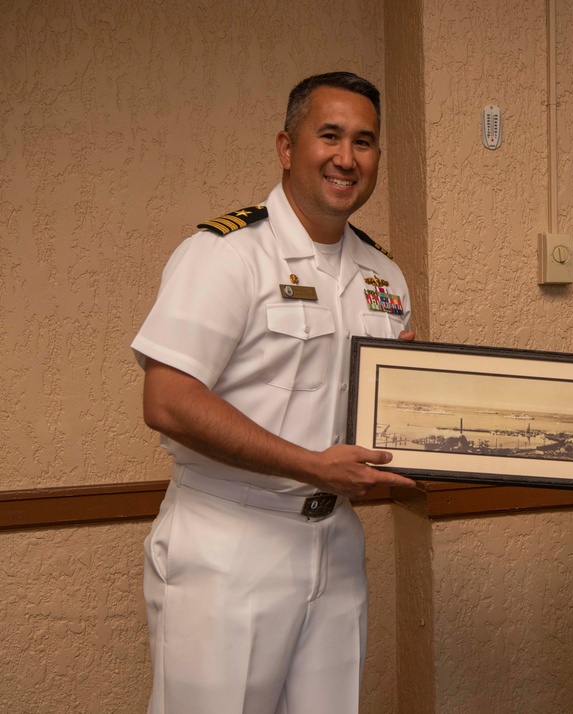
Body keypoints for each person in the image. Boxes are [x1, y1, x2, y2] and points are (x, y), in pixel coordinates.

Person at [131, 72, 417, 714]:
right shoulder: (227, 254)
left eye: (365, 142)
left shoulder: (384, 274)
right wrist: (313, 464)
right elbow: (169, 401)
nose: (347, 158)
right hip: (231, 540)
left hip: (335, 543)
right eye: (330, 136)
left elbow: (395, 403)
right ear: (288, 147)